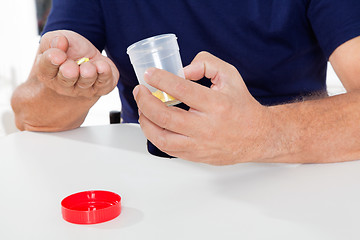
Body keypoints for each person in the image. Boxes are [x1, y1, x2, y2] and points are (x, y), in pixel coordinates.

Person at [11, 0, 360, 165]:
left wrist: (264, 132)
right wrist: (62, 88)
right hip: (158, 178)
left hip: (291, 172)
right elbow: (30, 117)